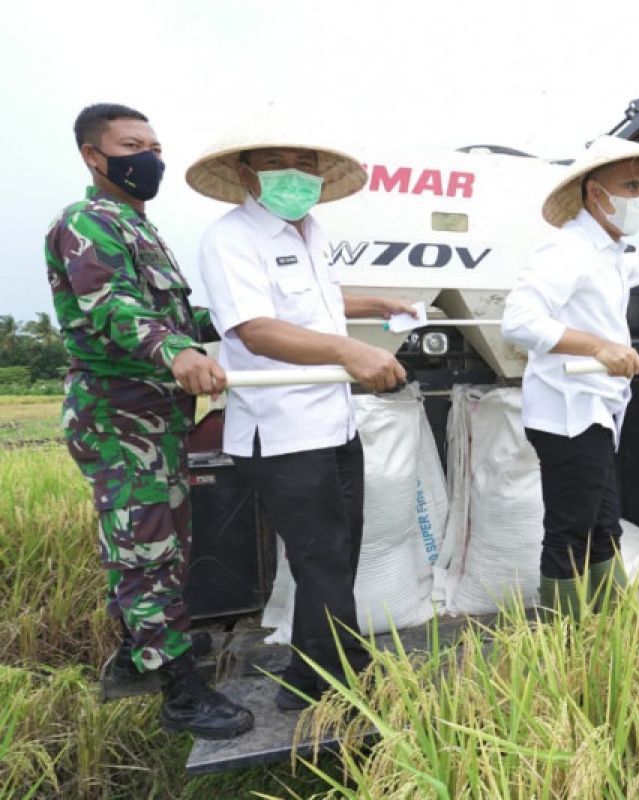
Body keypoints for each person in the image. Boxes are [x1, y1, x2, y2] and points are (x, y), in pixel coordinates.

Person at [44, 103, 253, 739]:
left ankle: (147, 655)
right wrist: (177, 351)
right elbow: (114, 309)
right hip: (118, 419)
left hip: (155, 420)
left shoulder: (141, 228)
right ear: (93, 156)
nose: (150, 157)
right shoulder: (87, 222)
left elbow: (178, 318)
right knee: (146, 551)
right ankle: (182, 694)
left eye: (156, 146)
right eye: (133, 145)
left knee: (164, 546)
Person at [189, 122, 412, 711]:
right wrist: (348, 350)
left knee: (338, 555)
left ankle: (313, 674)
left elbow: (318, 300)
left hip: (333, 422)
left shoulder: (310, 232)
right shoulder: (231, 239)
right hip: (282, 429)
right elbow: (256, 329)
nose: (294, 171)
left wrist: (376, 305)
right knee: (320, 557)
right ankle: (340, 679)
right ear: (245, 172)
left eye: (304, 160)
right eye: (276, 160)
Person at [502, 136, 639, 619]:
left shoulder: (606, 252)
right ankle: (563, 640)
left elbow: (634, 267)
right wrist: (598, 346)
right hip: (567, 413)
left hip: (595, 410)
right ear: (596, 193)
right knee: (572, 530)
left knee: (604, 526)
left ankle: (607, 628)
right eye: (630, 185)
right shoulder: (566, 250)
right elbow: (518, 320)